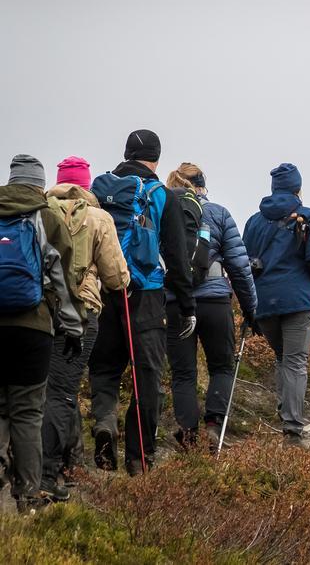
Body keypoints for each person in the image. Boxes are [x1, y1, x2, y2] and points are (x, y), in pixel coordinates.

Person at [89, 129, 197, 475]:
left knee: (104, 368)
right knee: (145, 375)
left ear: (126, 154)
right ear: (156, 157)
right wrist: (186, 304)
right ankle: (140, 458)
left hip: (106, 290)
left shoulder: (100, 188)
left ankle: (104, 422)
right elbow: (177, 256)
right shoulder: (161, 194)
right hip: (146, 294)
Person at [40, 157, 129, 501]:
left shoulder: (38, 212)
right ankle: (48, 473)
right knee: (62, 391)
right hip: (82, 313)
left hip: (39, 312)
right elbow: (116, 277)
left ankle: (71, 462)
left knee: (52, 387)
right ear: (87, 185)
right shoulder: (98, 217)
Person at [0, 155, 83, 512]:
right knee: (28, 412)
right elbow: (63, 282)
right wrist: (73, 328)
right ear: (39, 183)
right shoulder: (46, 217)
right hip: (33, 329)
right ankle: (28, 495)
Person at [164, 163, 257, 451]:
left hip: (176, 301)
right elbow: (240, 267)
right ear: (203, 186)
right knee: (221, 366)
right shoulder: (218, 213)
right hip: (215, 300)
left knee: (183, 373)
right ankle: (214, 426)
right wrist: (251, 310)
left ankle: (188, 433)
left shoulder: (163, 210)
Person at [243, 163, 310, 442]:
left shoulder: (254, 222)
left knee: (283, 358)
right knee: (295, 362)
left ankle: (285, 412)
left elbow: (243, 262)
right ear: (298, 188)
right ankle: (292, 426)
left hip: (264, 301)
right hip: (298, 299)